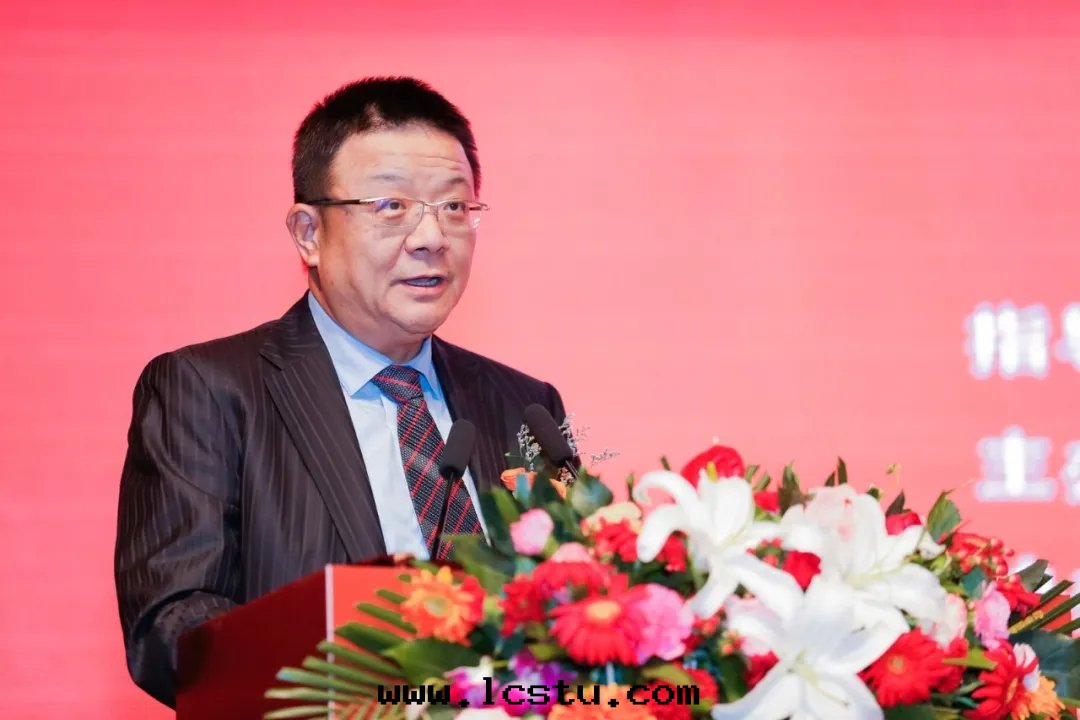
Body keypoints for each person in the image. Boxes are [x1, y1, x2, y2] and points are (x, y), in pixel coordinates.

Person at [113, 76, 568, 708]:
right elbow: (170, 627)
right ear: (308, 232)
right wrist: (365, 685)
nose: (431, 236)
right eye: (391, 206)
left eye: (454, 207)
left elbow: (572, 600)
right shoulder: (209, 390)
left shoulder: (525, 406)